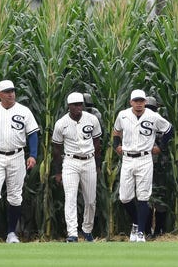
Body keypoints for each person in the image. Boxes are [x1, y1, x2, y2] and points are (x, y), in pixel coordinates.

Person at [0, 80, 39, 244]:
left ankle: (11, 233)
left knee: (15, 196)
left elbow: (32, 134)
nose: (11, 94)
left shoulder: (24, 111)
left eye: (13, 91)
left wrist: (33, 155)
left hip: (17, 156)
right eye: (7, 91)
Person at [113, 89, 173, 242]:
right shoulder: (123, 115)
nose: (139, 104)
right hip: (127, 158)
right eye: (136, 101)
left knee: (143, 196)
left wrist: (160, 147)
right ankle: (136, 223)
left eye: (141, 101)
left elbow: (168, 129)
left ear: (145, 102)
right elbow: (116, 131)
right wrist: (116, 145)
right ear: (131, 102)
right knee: (125, 197)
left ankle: (140, 232)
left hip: (145, 158)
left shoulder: (153, 116)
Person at [52, 92, 102, 243]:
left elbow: (97, 143)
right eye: (75, 105)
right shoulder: (61, 123)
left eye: (81, 104)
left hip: (89, 160)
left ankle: (87, 230)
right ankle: (72, 233)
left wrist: (98, 165)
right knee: (71, 197)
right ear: (69, 106)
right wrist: (58, 171)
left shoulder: (92, 119)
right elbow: (56, 149)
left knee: (91, 200)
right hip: (70, 162)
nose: (79, 107)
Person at [144, 96, 168, 238]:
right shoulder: (159, 120)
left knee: (146, 198)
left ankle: (149, 231)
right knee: (157, 199)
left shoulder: (153, 120)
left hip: (152, 163)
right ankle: (159, 230)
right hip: (159, 164)